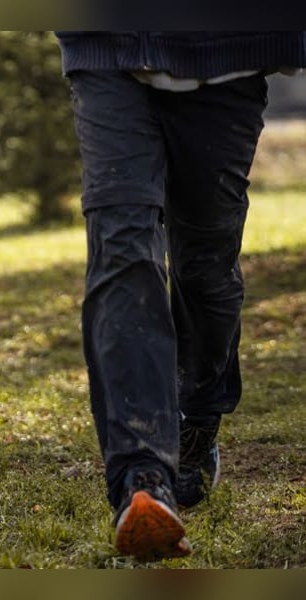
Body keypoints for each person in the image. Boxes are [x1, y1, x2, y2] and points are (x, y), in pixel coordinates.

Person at [54, 31, 306, 561]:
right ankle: (141, 477)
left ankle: (199, 416)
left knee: (205, 272)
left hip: (227, 55)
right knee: (122, 252)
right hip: (108, 48)